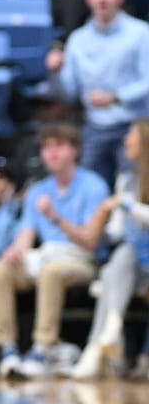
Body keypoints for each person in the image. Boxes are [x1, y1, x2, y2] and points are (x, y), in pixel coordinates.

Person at [0, 124, 111, 380]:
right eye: (47, 148)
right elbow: (26, 235)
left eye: (59, 146)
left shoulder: (94, 186)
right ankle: (7, 348)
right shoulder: (38, 191)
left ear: (74, 150)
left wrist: (55, 218)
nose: (52, 153)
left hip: (80, 260)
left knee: (51, 272)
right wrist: (15, 251)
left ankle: (43, 347)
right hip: (44, 255)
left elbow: (90, 241)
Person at [47, 0, 149, 186]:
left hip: (133, 126)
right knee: (89, 186)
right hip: (94, 127)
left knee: (136, 187)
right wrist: (55, 72)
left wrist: (116, 97)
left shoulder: (141, 33)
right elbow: (69, 93)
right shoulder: (77, 40)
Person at [74, 120, 149, 379]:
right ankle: (108, 332)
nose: (125, 140)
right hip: (134, 263)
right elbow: (118, 231)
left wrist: (126, 204)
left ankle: (96, 348)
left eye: (131, 135)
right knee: (119, 259)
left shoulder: (128, 194)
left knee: (111, 275)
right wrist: (97, 227)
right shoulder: (126, 180)